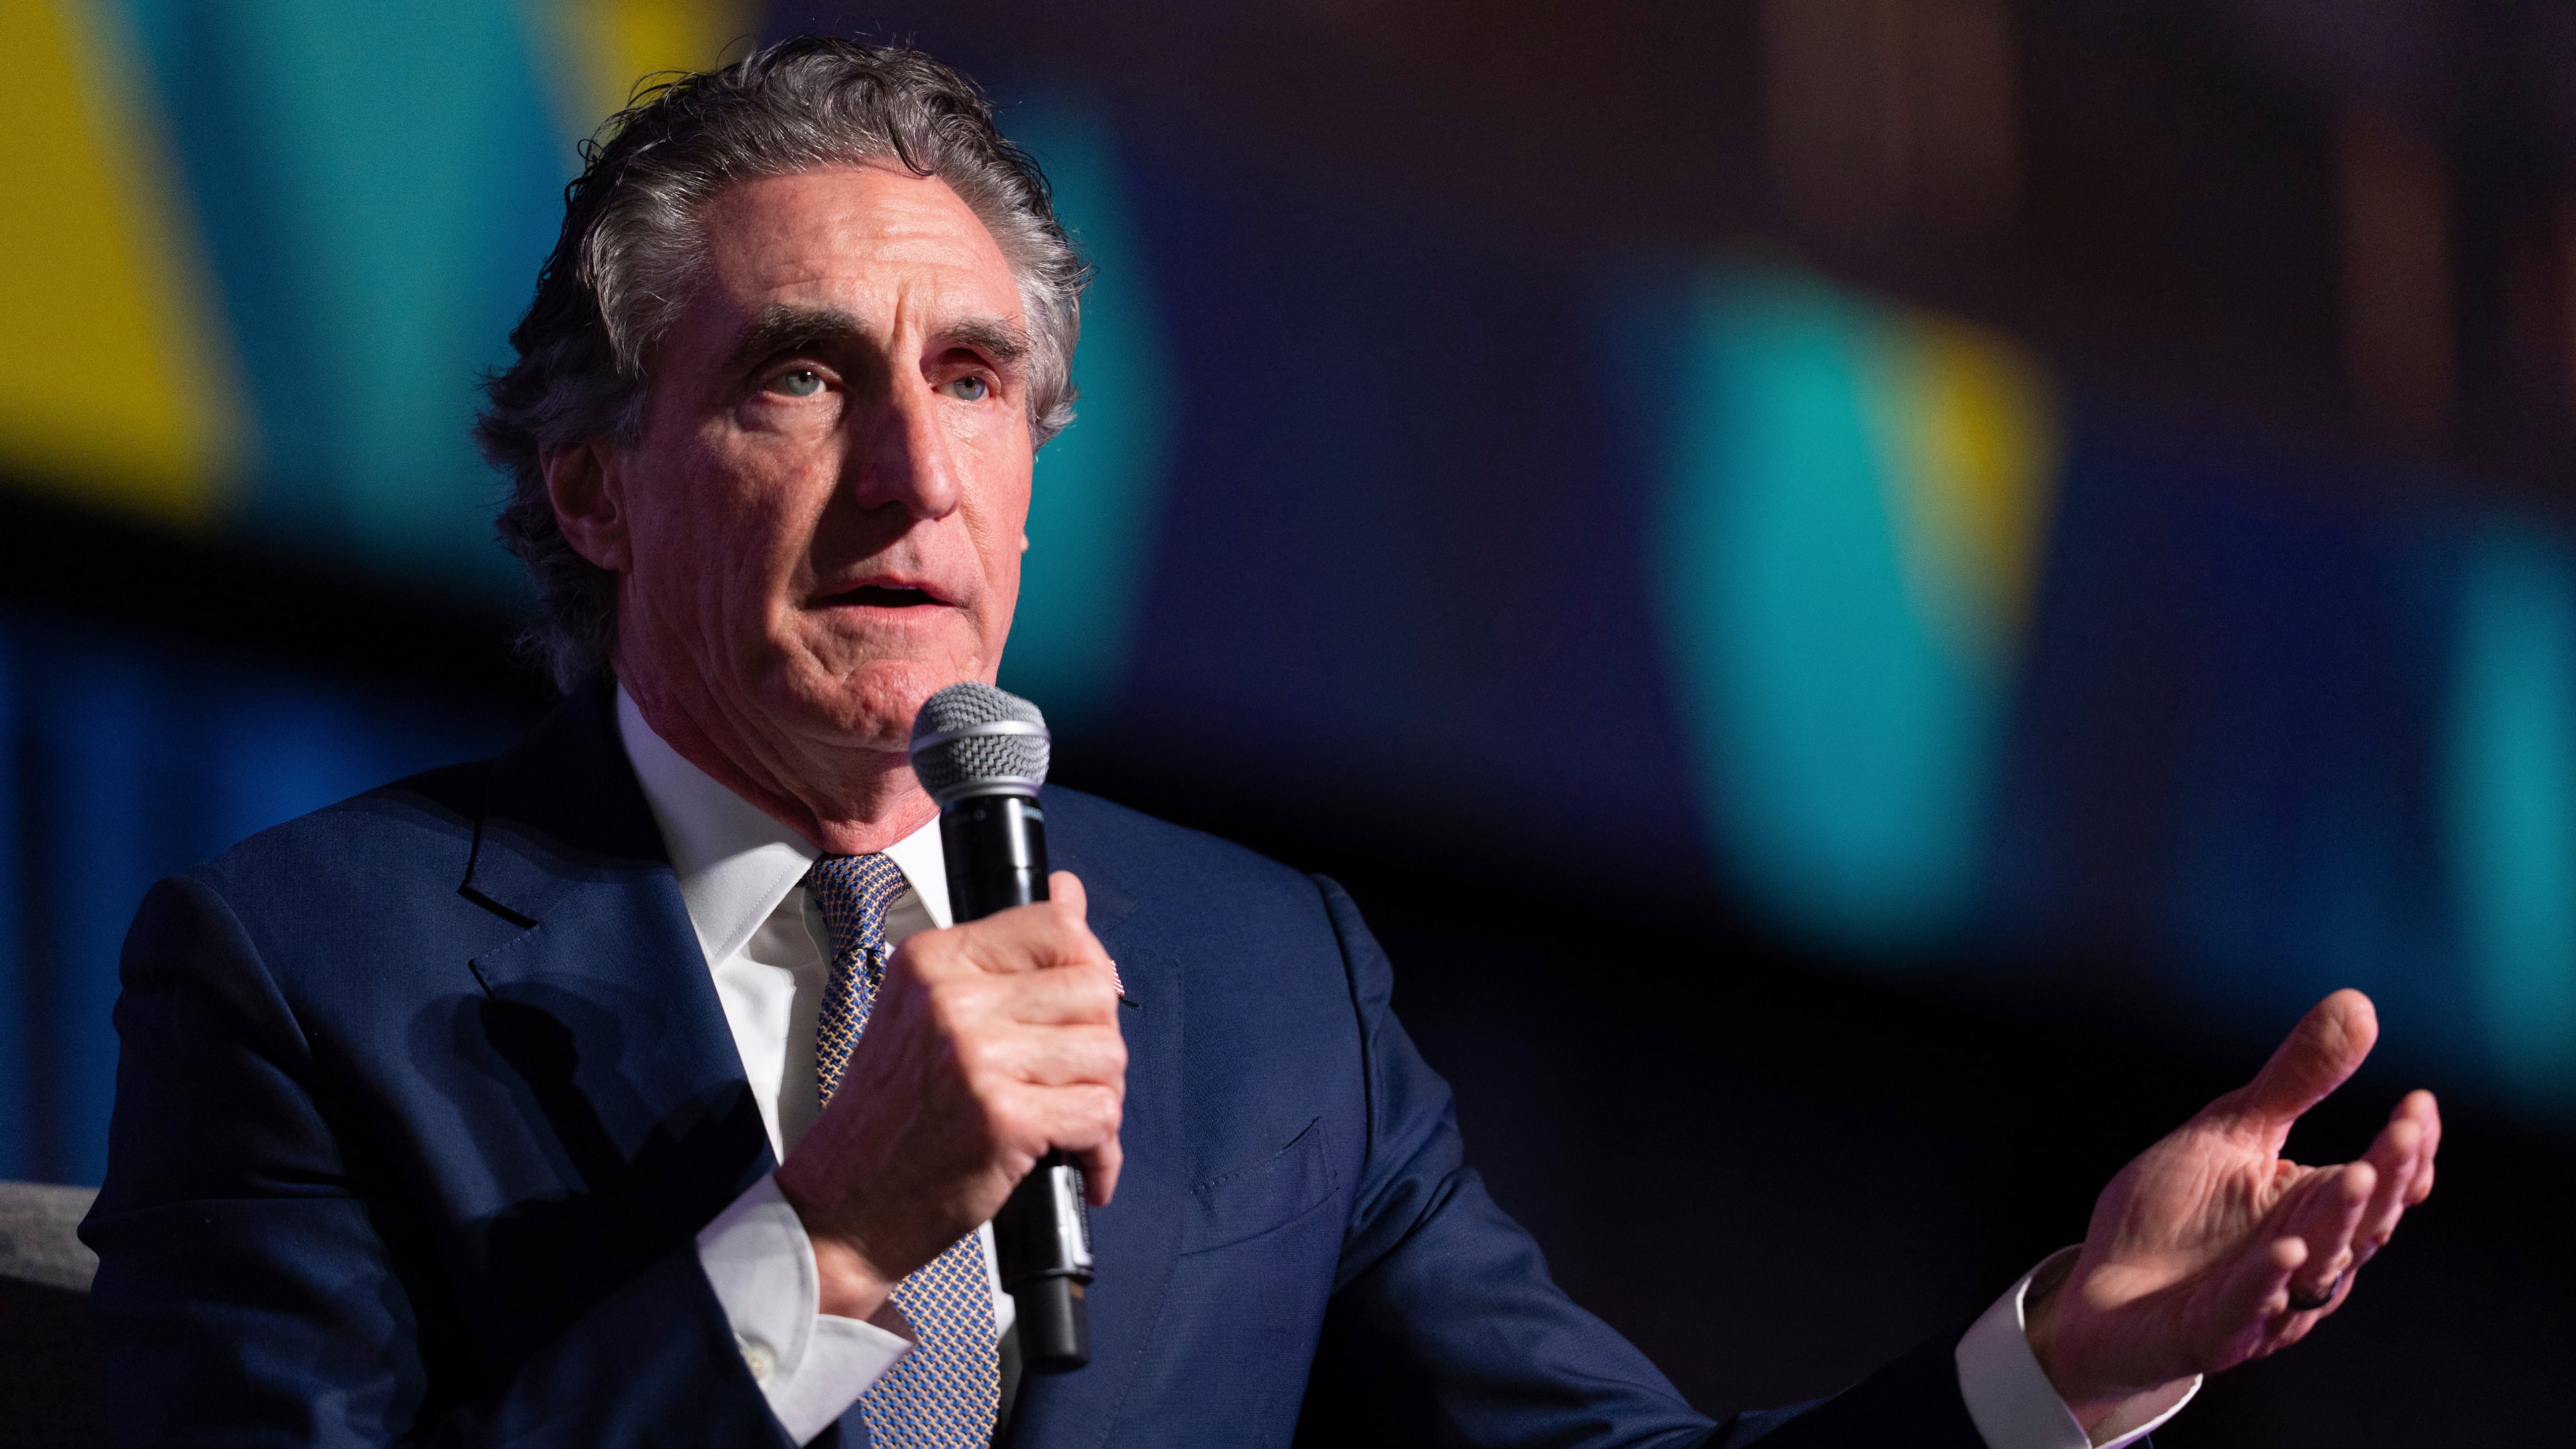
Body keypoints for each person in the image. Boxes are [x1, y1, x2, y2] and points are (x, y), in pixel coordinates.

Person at [80, 38, 2440, 1449]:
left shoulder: (1262, 977)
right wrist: (831, 1243)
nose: (911, 476)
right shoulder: (303, 968)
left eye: (975, 383)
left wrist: (2057, 1365)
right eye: (802, 375)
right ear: (597, 486)